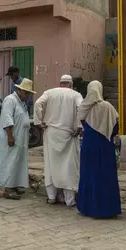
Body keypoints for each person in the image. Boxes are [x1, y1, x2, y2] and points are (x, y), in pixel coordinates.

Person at [34, 74, 83, 207]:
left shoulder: (49, 92)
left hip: (51, 133)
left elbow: (38, 103)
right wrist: (79, 126)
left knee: (51, 165)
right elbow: (81, 109)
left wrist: (39, 121)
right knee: (69, 167)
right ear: (71, 84)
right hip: (69, 134)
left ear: (60, 83)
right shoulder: (76, 95)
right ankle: (69, 200)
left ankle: (52, 197)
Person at [76, 81, 121, 218]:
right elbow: (115, 128)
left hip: (89, 146)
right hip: (105, 146)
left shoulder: (84, 107)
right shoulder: (107, 107)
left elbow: (82, 124)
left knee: (89, 175)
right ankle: (107, 209)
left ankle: (88, 207)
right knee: (105, 176)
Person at [0, 78, 36, 200]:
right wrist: (10, 136)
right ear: (19, 90)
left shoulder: (21, 102)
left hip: (21, 139)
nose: (27, 95)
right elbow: (7, 118)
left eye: (29, 93)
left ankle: (14, 185)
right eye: (26, 92)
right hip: (11, 137)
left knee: (17, 162)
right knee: (9, 162)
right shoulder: (10, 100)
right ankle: (8, 189)